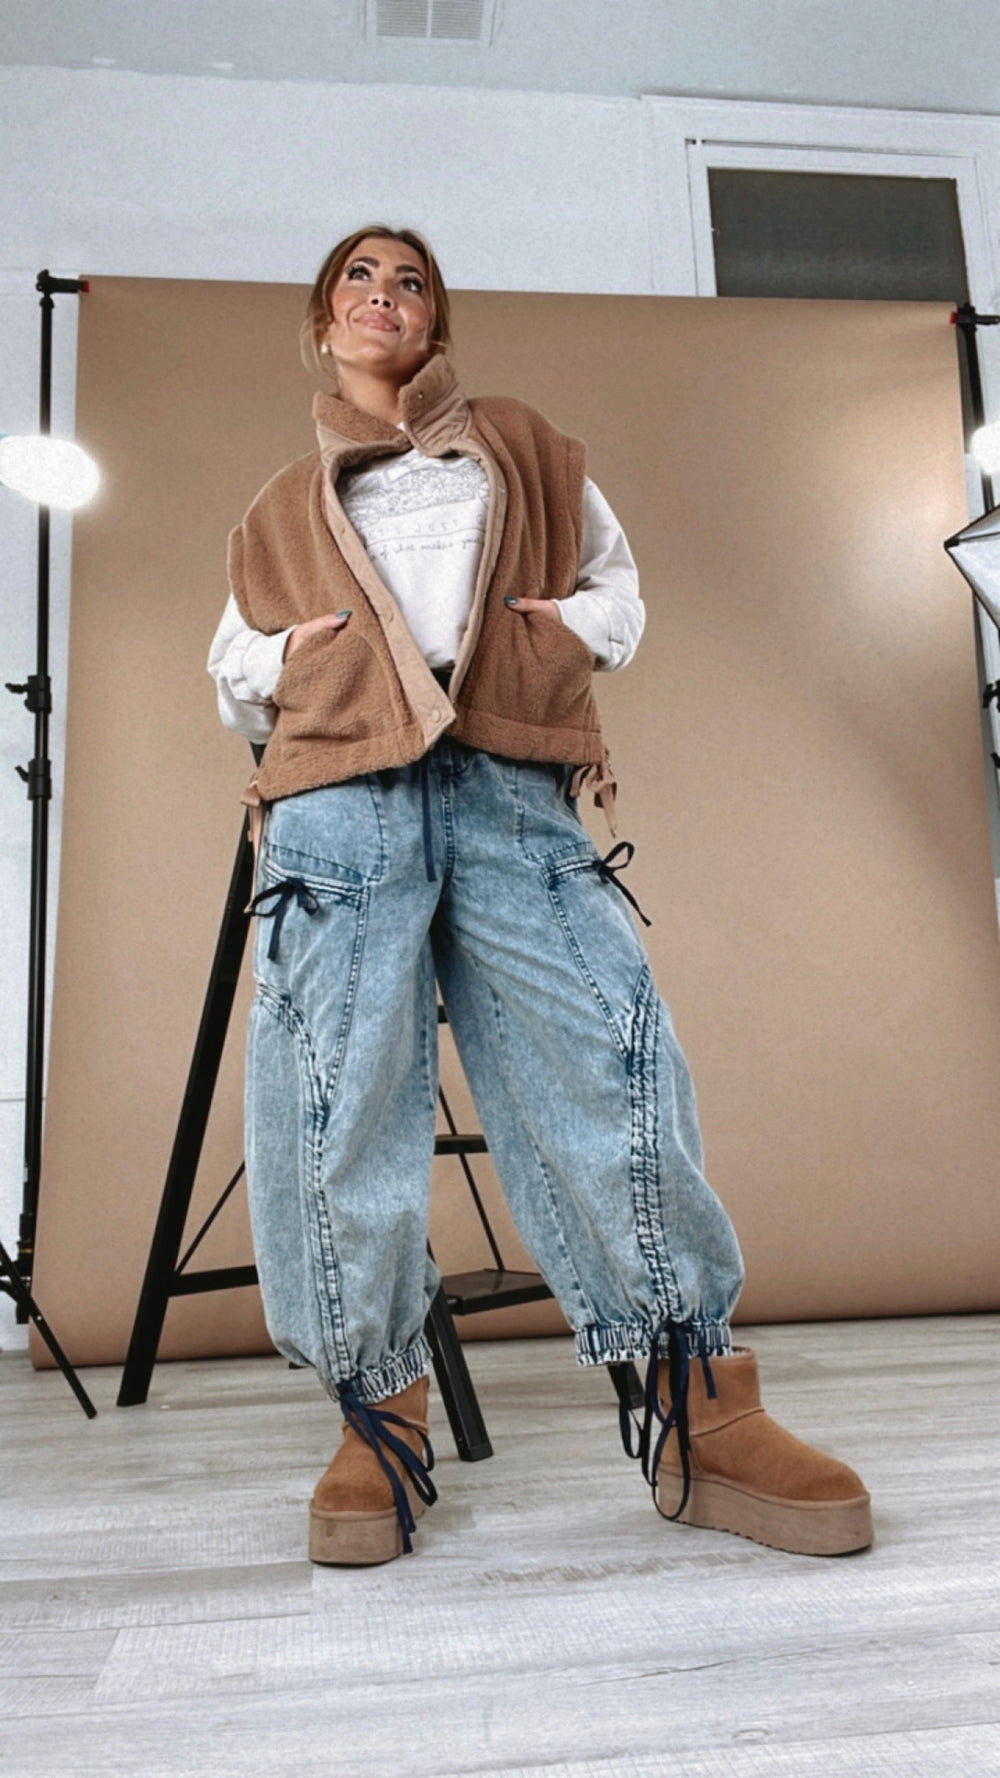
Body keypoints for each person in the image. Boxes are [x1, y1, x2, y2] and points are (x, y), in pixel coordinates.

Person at [208, 225, 872, 1568]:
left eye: (409, 280)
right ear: (323, 325)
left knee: (611, 1055)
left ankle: (700, 1401)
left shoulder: (525, 447)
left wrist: (561, 631)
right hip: (342, 796)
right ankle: (378, 1412)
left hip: (510, 778)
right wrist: (298, 661)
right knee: (336, 1092)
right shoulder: (280, 503)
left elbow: (617, 593)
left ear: (437, 319)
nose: (384, 295)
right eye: (357, 279)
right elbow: (232, 668)